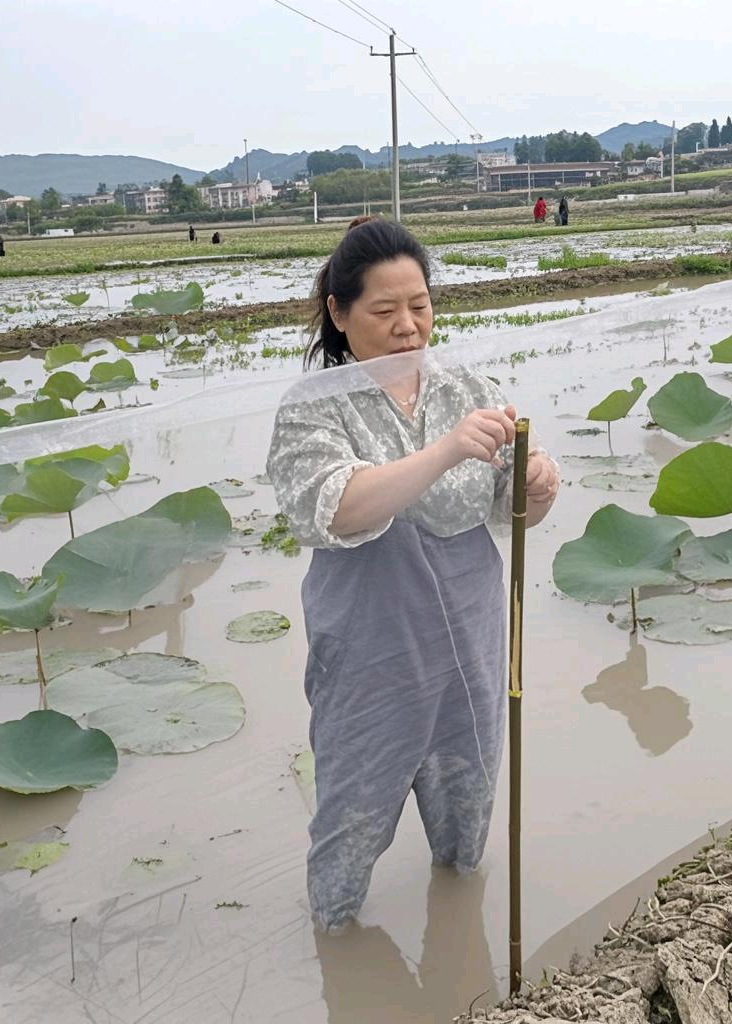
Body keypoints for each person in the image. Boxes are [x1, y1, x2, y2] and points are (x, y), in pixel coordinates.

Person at [266, 216, 560, 933]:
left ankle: (459, 936)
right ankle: (336, 943)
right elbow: (333, 509)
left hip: (469, 633)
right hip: (373, 645)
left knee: (469, 805)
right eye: (385, 311)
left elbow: (510, 509)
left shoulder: (468, 386)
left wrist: (538, 485)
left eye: (421, 306)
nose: (408, 327)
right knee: (351, 817)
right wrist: (448, 450)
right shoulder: (314, 406)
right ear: (339, 314)